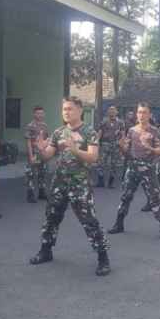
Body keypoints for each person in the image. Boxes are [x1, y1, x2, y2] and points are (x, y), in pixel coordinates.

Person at [29, 97, 111, 276]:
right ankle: (46, 250)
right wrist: (40, 148)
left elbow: (93, 157)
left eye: (70, 109)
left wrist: (75, 150)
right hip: (59, 182)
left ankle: (103, 258)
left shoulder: (89, 132)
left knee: (89, 220)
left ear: (80, 110)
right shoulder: (59, 132)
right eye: (64, 109)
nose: (66, 112)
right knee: (51, 217)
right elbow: (48, 156)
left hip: (79, 184)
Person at [108, 102, 160, 240]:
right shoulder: (132, 130)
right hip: (133, 167)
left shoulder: (154, 131)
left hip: (148, 168)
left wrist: (151, 148)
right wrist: (121, 146)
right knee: (126, 196)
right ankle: (119, 224)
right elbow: (127, 151)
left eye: (145, 112)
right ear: (137, 114)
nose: (142, 115)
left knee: (154, 198)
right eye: (140, 112)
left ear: (149, 115)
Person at [24, 106, 49, 203]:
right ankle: (30, 194)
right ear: (34, 114)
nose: (40, 115)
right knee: (30, 173)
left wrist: (46, 153)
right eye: (38, 113)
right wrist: (30, 156)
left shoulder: (45, 126)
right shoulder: (30, 126)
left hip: (42, 153)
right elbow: (28, 141)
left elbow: (47, 140)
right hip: (34, 153)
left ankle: (41, 192)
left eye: (42, 113)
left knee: (42, 172)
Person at [96, 105, 125, 188]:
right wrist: (97, 142)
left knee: (114, 164)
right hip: (105, 144)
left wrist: (122, 144)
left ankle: (110, 182)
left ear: (117, 112)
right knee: (100, 163)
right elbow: (100, 132)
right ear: (108, 112)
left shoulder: (120, 122)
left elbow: (123, 134)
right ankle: (100, 181)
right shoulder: (104, 121)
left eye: (113, 110)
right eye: (110, 110)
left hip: (115, 145)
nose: (112, 112)